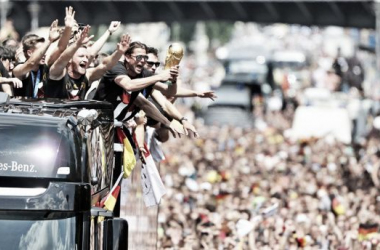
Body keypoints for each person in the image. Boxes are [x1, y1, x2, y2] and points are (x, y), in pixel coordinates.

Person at [45, 26, 131, 100]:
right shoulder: (58, 73)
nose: (86, 60)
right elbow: (62, 59)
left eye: (87, 57)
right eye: (81, 56)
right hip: (54, 117)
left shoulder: (87, 75)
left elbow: (105, 65)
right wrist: (77, 44)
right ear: (70, 59)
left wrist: (119, 52)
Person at [12, 19, 61, 98]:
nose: (44, 54)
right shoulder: (18, 69)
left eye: (44, 50)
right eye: (40, 51)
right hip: (23, 109)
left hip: (42, 108)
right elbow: (31, 63)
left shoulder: (45, 67)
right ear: (29, 53)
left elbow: (60, 49)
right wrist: (49, 40)